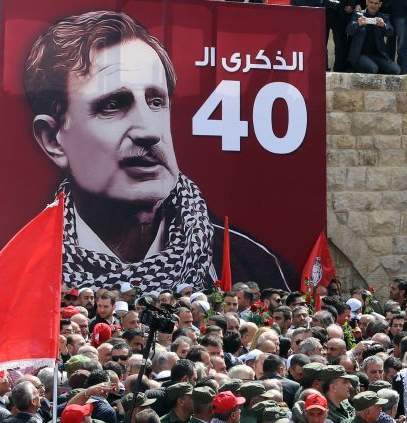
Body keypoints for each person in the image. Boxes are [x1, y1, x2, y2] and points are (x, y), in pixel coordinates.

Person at [23, 11, 297, 291]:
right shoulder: (23, 268)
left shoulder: (257, 266)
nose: (149, 131)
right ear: (52, 139)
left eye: (155, 102)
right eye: (113, 105)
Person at [347, 0, 402, 74]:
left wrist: (384, 26)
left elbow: (391, 32)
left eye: (376, 3)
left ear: (380, 4)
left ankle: (375, 67)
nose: (373, 5)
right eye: (371, 2)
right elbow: (349, 31)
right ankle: (353, 68)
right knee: (373, 69)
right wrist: (358, 24)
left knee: (396, 70)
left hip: (377, 55)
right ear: (366, 2)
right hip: (359, 55)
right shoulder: (358, 15)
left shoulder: (383, 17)